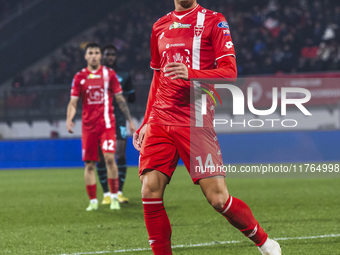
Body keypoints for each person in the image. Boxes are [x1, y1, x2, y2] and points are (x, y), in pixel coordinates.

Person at [133, 1, 281, 254]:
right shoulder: (159, 25)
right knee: (149, 190)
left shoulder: (214, 21)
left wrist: (190, 72)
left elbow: (229, 73)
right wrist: (146, 120)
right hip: (161, 117)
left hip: (195, 117)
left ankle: (265, 242)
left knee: (218, 199)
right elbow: (157, 76)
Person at [66, 43, 136, 211]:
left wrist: (130, 120)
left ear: (100, 56)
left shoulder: (109, 74)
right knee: (89, 164)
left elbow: (120, 99)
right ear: (86, 56)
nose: (94, 55)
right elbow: (73, 102)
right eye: (91, 53)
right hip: (88, 127)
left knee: (110, 159)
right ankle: (93, 201)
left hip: (107, 124)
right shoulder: (79, 77)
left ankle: (113, 197)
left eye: (97, 52)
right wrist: (69, 119)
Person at [96, 44, 136, 205]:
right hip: (99, 120)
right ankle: (106, 194)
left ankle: (119, 192)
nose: (110, 57)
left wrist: (122, 95)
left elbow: (132, 97)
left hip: (118, 119)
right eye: (108, 54)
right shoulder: (95, 75)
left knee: (119, 154)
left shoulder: (124, 75)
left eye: (113, 55)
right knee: (101, 158)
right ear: (103, 56)